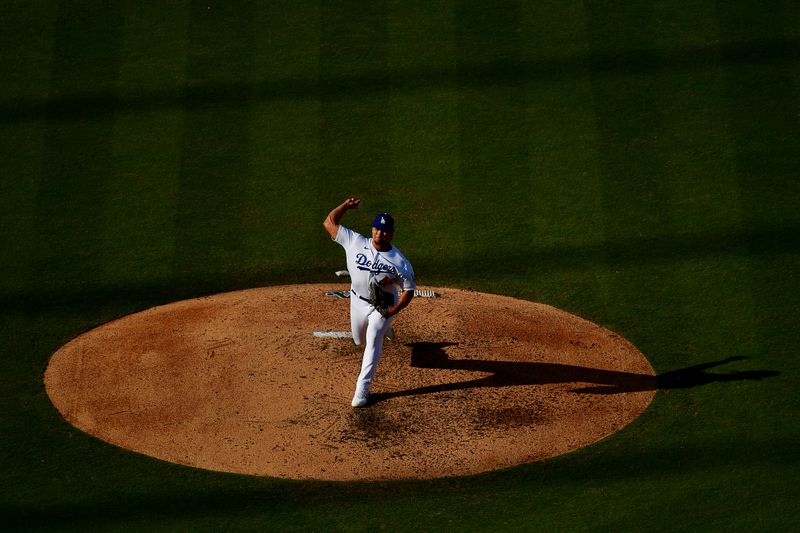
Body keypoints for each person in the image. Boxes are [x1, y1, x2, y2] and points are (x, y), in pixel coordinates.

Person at [323, 198, 416, 407]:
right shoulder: (355, 241)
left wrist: (394, 309)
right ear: (372, 229)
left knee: (373, 338)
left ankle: (362, 391)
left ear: (391, 234)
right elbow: (329, 223)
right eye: (376, 229)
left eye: (384, 231)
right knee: (359, 341)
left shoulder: (400, 261)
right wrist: (345, 206)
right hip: (357, 301)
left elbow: (409, 290)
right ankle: (386, 329)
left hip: (383, 306)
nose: (379, 234)